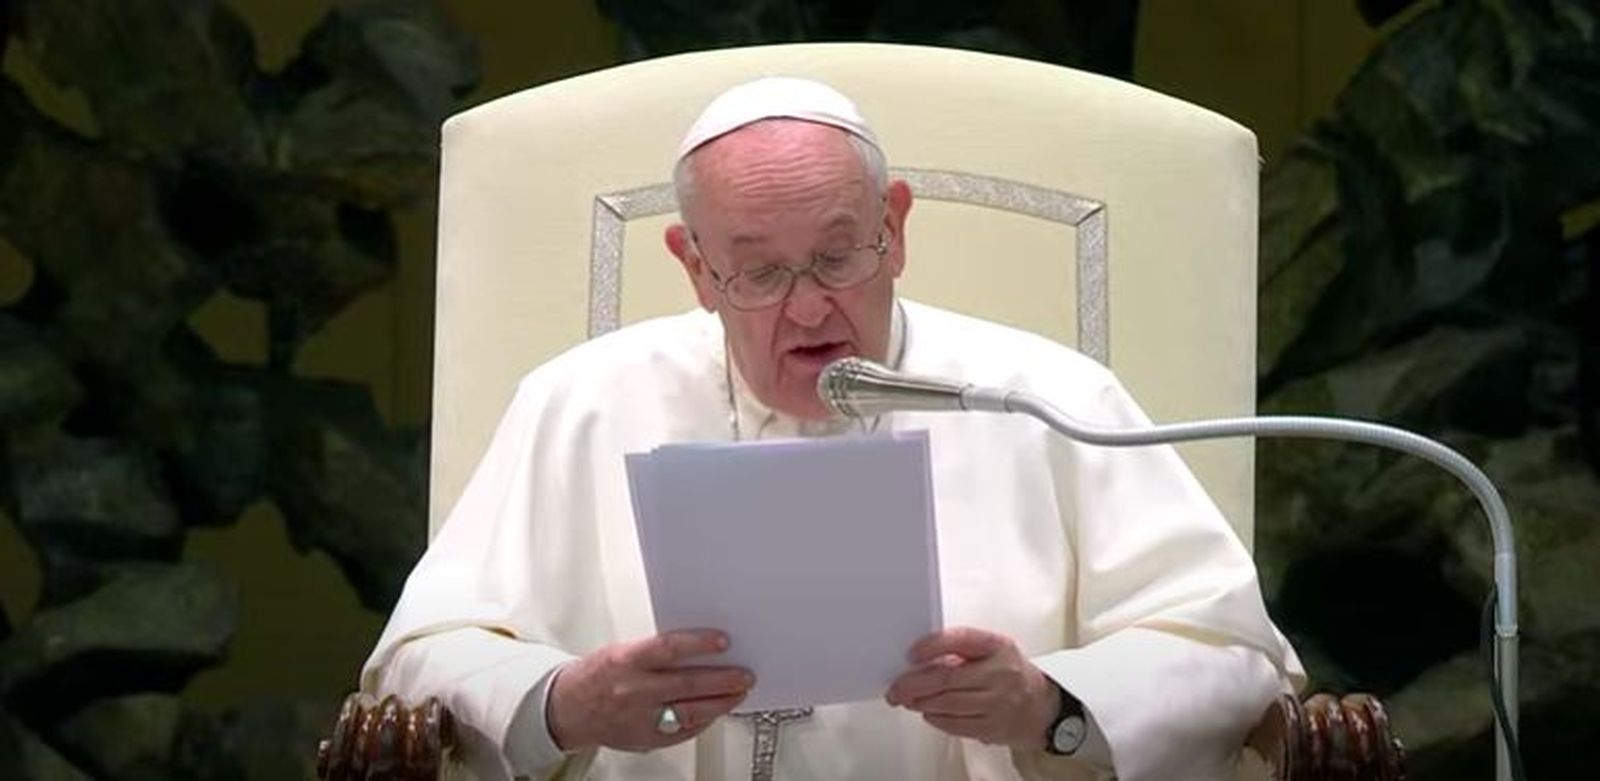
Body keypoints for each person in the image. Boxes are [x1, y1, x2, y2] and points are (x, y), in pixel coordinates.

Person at [363, 76, 1304, 781]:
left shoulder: (1041, 398)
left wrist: (1051, 707)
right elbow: (422, 656)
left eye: (837, 255)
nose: (809, 308)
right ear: (693, 267)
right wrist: (567, 704)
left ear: (894, 228)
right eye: (759, 273)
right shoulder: (581, 403)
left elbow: (1230, 652)